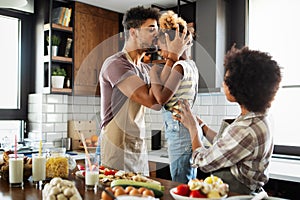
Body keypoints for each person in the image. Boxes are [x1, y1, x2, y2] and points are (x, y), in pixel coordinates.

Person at [173, 45, 282, 194]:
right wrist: (201, 126)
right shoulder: (260, 117)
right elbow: (224, 145)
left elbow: (204, 161)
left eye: (226, 81)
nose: (223, 84)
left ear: (242, 87)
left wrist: (193, 128)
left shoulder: (246, 128)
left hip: (238, 195)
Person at [99, 6, 190, 175]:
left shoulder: (146, 69)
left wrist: (177, 52)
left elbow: (160, 98)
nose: (156, 34)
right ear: (133, 32)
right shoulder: (116, 64)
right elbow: (151, 100)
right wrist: (171, 58)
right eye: (151, 29)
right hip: (116, 148)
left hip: (137, 148)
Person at [149, 11, 199, 183]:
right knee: (188, 184)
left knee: (180, 183)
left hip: (180, 135)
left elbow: (161, 98)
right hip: (185, 134)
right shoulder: (190, 65)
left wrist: (153, 73)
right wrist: (171, 58)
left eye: (162, 47)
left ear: (174, 43)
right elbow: (165, 84)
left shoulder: (179, 67)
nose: (162, 54)